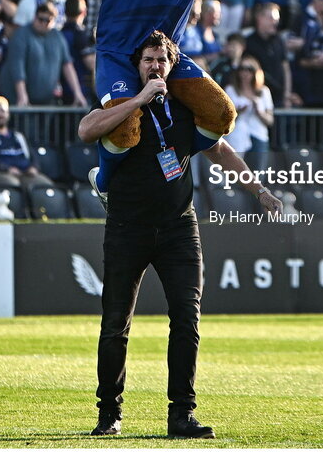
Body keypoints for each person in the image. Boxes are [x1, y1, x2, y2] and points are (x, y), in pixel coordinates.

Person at [76, 31, 282, 439]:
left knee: (187, 319)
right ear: (138, 67)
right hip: (127, 225)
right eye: (148, 59)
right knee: (116, 322)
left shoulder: (184, 110)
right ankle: (109, 413)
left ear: (172, 67)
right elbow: (86, 130)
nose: (155, 66)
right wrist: (137, 100)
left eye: (161, 61)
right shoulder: (124, 106)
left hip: (178, 226)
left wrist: (258, 189)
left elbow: (219, 149)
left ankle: (181, 415)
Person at [0, 3, 85, 107]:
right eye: (40, 19)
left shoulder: (58, 37)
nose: (44, 23)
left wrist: (77, 93)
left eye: (47, 20)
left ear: (53, 21)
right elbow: (17, 66)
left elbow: (67, 66)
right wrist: (22, 95)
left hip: (47, 102)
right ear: (34, 17)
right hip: (19, 101)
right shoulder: (21, 35)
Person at [0, 96, 53, 191]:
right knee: (13, 185)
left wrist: (34, 167)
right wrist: (6, 169)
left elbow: (32, 155)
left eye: (3, 111)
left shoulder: (18, 136)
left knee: (45, 185)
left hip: (24, 173)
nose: (0, 115)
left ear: (8, 114)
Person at [224, 55, 273, 170]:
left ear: (256, 72)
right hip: (237, 136)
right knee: (236, 171)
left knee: (258, 172)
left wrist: (259, 111)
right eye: (242, 69)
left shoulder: (264, 92)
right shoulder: (230, 90)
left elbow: (270, 120)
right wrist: (238, 112)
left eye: (249, 69)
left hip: (258, 134)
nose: (245, 73)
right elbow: (224, 118)